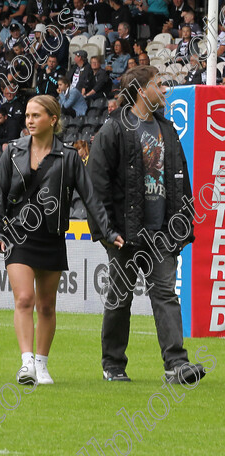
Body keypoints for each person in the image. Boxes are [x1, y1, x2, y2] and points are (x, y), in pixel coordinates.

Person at [0, 95, 123, 386]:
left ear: (53, 119)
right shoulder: (11, 151)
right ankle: (26, 365)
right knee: (24, 298)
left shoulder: (69, 157)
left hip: (51, 236)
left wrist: (109, 232)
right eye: (27, 115)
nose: (29, 121)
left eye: (36, 115)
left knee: (47, 306)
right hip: (17, 236)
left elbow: (91, 198)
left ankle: (42, 363)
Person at [88, 65, 207, 385]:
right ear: (142, 91)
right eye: (159, 84)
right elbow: (95, 187)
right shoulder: (113, 130)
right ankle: (113, 364)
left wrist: (182, 226)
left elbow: (180, 182)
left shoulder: (167, 129)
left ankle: (176, 365)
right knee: (119, 298)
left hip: (162, 234)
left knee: (166, 295)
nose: (165, 90)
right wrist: (107, 231)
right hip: (125, 235)